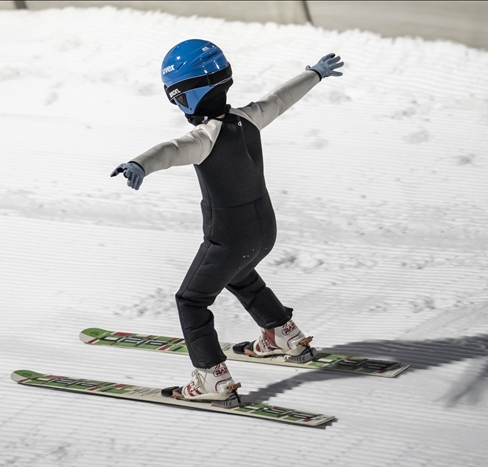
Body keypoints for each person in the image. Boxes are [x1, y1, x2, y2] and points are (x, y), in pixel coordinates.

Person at [111, 39, 344, 406]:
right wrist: (314, 73)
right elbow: (280, 99)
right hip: (265, 232)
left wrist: (141, 163)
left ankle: (211, 379)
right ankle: (283, 333)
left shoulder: (204, 137)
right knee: (238, 274)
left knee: (191, 300)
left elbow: (170, 151)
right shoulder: (249, 117)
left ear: (182, 95)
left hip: (229, 238)